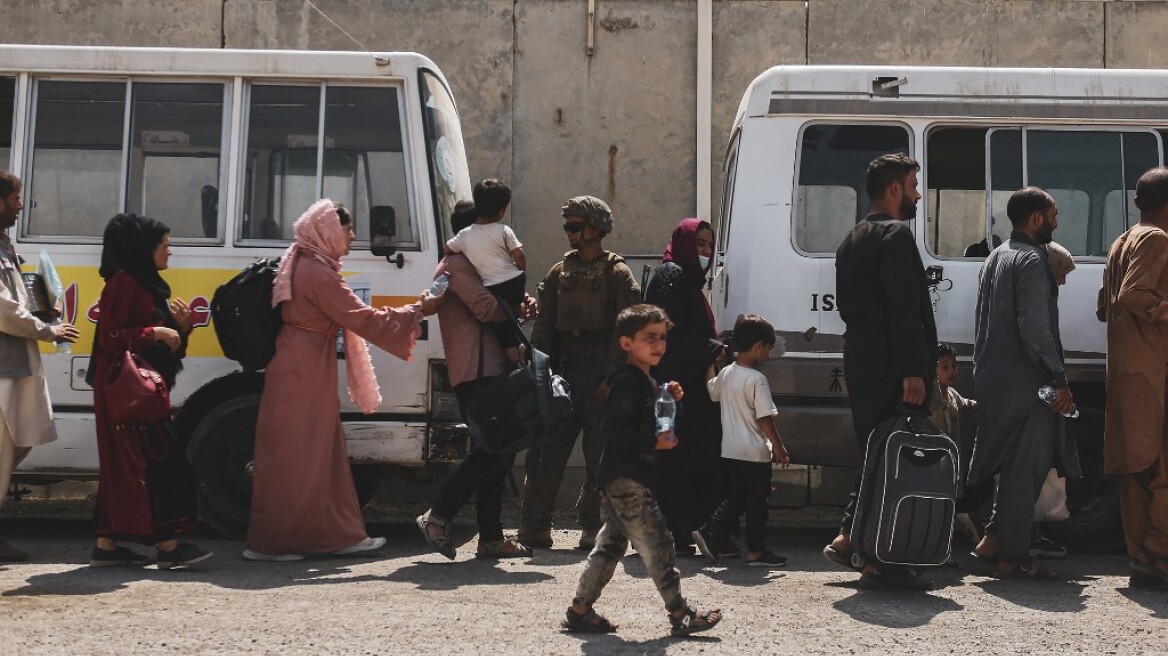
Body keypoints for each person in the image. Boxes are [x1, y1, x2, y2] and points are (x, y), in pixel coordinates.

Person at [244, 199, 441, 561]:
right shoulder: (318, 273)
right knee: (306, 455)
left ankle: (319, 536)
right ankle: (289, 541)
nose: (352, 236)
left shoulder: (301, 261)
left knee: (303, 453)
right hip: (304, 370)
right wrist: (418, 309)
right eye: (347, 229)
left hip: (297, 364)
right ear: (329, 232)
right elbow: (364, 319)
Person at [560, 304, 721, 636]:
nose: (659, 344)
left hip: (621, 478)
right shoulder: (626, 382)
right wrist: (652, 442)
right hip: (627, 479)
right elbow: (616, 430)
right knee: (659, 543)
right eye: (649, 337)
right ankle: (680, 613)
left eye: (662, 337)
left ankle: (580, 610)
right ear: (626, 343)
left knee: (610, 547)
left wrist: (671, 400)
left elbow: (653, 422)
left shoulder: (645, 381)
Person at [825, 153, 937, 589]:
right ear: (894, 188)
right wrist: (913, 370)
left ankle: (849, 537)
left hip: (862, 359)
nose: (917, 195)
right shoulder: (895, 235)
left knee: (876, 452)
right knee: (896, 459)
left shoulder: (851, 239)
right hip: (893, 364)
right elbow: (904, 308)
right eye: (912, 185)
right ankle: (879, 559)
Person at [88, 213, 211, 569]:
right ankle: (169, 546)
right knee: (161, 462)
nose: (170, 251)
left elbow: (164, 347)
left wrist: (180, 329)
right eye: (164, 245)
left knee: (124, 466)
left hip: (138, 392)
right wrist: (156, 332)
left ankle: (106, 546)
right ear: (143, 248)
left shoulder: (146, 285)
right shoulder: (124, 283)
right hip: (128, 394)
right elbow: (111, 337)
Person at [969, 187, 1079, 580]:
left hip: (994, 378)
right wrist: (1058, 378)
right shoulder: (1032, 260)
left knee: (1011, 465)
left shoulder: (996, 256)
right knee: (1025, 467)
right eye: (1053, 214)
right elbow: (1035, 328)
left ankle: (993, 539)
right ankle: (1012, 558)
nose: (1056, 222)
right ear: (1037, 218)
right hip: (1027, 383)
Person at [518, 196, 641, 551]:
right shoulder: (560, 272)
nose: (569, 232)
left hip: (600, 374)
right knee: (546, 452)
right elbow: (544, 326)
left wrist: (613, 377)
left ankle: (594, 526)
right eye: (567, 225)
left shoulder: (617, 274)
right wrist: (538, 371)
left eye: (575, 225)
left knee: (599, 457)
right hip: (564, 374)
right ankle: (535, 525)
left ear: (595, 228)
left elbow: (627, 331)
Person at [416, 203, 536, 560]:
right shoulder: (456, 266)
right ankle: (439, 516)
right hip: (475, 371)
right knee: (492, 448)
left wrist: (521, 304)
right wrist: (515, 307)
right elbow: (485, 308)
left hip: (492, 369)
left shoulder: (478, 263)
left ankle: (491, 537)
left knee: (498, 451)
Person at [0, 172, 79, 562]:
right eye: (15, 198)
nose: (20, 205)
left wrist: (43, 311)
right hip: (4, 369)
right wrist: (47, 330)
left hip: (14, 364)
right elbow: (4, 310)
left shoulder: (5, 247)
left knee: (17, 443)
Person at [1098, 166, 1168, 589]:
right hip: (1152, 375)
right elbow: (1133, 294)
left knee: (1138, 473)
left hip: (1126, 374)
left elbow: (1104, 305)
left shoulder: (1121, 241)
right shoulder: (1157, 239)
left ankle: (1143, 561)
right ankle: (1158, 554)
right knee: (1160, 468)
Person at [644, 218, 729, 555]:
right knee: (677, 460)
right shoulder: (672, 275)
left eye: (709, 245)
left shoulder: (684, 280)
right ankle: (677, 531)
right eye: (699, 244)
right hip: (675, 387)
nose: (705, 252)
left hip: (684, 383)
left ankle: (682, 532)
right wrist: (710, 349)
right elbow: (668, 331)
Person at [692, 314, 790, 567]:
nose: (768, 355)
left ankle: (711, 530)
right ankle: (755, 551)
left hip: (730, 451)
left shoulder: (727, 373)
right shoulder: (757, 379)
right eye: (768, 348)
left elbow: (711, 391)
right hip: (754, 453)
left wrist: (710, 362)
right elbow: (764, 417)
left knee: (738, 498)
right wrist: (778, 447)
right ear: (758, 346)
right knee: (757, 503)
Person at [443, 179, 526, 363]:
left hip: (497, 288)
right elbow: (519, 255)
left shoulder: (464, 239)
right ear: (501, 211)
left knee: (503, 330)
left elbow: (446, 249)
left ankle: (516, 359)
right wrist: (520, 271)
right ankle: (519, 356)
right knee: (508, 326)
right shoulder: (504, 230)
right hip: (515, 282)